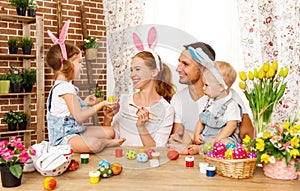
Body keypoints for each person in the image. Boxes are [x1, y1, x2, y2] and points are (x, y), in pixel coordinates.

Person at [46, 20, 125, 153]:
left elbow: (69, 110)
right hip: (65, 138)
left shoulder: (64, 86)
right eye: (79, 62)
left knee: (110, 131)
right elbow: (79, 116)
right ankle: (104, 143)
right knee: (94, 144)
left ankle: (103, 141)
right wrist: (101, 104)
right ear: (66, 64)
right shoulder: (64, 88)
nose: (81, 66)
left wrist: (85, 102)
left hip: (78, 131)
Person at [168, 42, 254, 154]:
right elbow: (179, 134)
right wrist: (179, 139)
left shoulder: (229, 97)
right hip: (200, 143)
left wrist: (216, 144)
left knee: (227, 143)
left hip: (217, 148)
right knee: (177, 137)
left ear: (203, 68)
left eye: (185, 64)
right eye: (179, 62)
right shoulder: (178, 98)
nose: (178, 68)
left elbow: (247, 137)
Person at [107, 51, 176, 147]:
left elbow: (157, 150)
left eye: (137, 69)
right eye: (131, 70)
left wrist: (142, 127)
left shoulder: (167, 109)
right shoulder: (124, 101)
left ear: (154, 72)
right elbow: (112, 139)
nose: (132, 75)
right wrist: (108, 119)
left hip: (147, 161)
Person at [191, 61, 241, 154]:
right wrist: (196, 134)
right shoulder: (209, 102)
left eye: (206, 85)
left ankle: (201, 149)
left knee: (227, 144)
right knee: (187, 134)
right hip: (206, 136)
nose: (203, 88)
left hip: (221, 138)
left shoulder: (231, 105)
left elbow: (231, 125)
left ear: (221, 87)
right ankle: (194, 146)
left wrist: (217, 140)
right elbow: (201, 120)